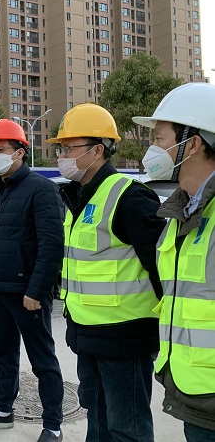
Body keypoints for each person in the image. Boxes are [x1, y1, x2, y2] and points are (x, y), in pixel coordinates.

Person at [47, 104, 166, 442]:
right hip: (88, 336)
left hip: (125, 341)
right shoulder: (80, 198)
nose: (62, 156)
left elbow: (164, 272)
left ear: (98, 150)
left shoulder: (129, 197)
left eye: (69, 148)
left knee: (127, 429)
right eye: (60, 149)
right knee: (97, 422)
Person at [0, 119, 65, 442]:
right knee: (4, 355)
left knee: (42, 361)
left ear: (20, 152)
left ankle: (52, 426)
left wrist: (37, 290)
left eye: (1, 150)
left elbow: (52, 246)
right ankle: (2, 410)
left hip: (27, 294)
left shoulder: (41, 189)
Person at [133, 83, 215, 442]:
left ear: (192, 144)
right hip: (190, 391)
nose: (152, 148)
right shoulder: (180, 211)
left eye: (159, 137)